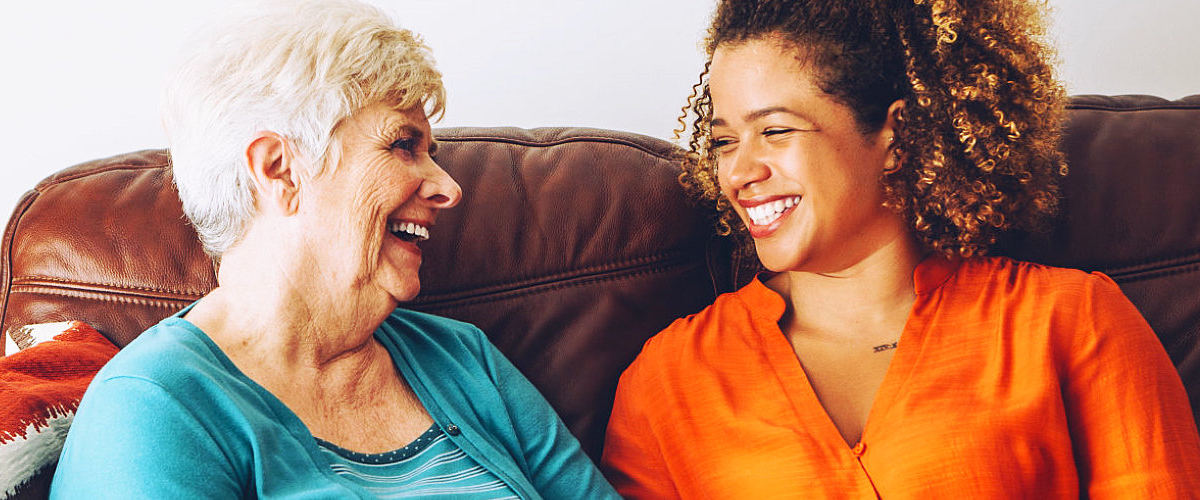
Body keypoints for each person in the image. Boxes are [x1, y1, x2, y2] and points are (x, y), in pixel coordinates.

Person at [601, 0, 1200, 497]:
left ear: (897, 136)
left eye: (776, 130)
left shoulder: (1070, 320)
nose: (739, 171)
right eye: (724, 140)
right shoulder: (668, 381)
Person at [50, 1, 619, 498]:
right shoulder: (155, 408)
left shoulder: (463, 360)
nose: (449, 188)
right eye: (403, 145)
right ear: (280, 170)